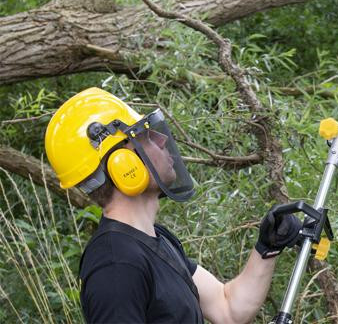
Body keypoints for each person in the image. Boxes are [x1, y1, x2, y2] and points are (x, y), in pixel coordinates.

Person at [45, 87, 302, 324]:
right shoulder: (117, 265)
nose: (161, 139)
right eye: (144, 135)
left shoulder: (155, 240)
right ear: (123, 164)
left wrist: (267, 247)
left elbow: (228, 308)